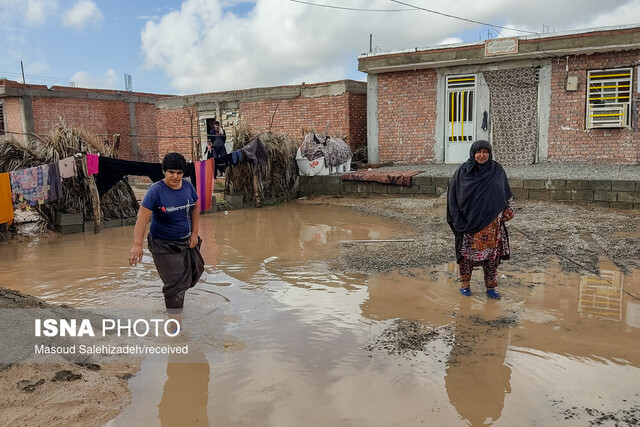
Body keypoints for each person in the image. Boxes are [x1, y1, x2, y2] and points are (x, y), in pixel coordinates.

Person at [129, 152, 204, 311]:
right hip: (163, 245)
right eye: (171, 172)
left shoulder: (188, 186)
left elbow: (196, 207)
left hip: (186, 242)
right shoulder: (155, 191)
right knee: (175, 286)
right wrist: (137, 245)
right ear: (164, 171)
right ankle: (175, 328)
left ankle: (174, 311)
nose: (175, 176)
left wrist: (195, 233)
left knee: (195, 272)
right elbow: (142, 219)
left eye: (179, 173)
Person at [446, 140, 514, 299]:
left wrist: (509, 210)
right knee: (466, 256)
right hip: (469, 223)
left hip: (492, 225)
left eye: (485, 152)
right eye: (478, 152)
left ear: (490, 153)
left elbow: (506, 192)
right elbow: (453, 198)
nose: (482, 155)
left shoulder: (497, 170)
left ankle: (490, 287)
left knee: (492, 257)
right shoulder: (463, 172)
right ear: (473, 153)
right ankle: (465, 285)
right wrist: (458, 220)